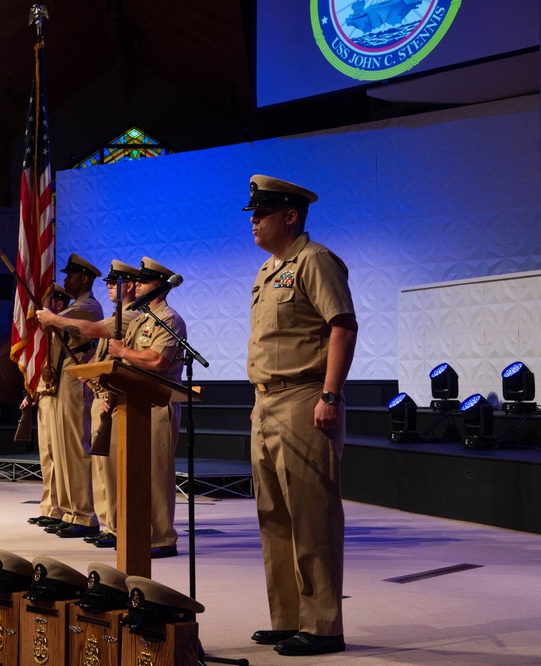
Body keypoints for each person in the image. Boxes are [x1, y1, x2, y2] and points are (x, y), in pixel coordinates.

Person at [243, 175, 357, 657]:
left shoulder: (315, 261)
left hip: (304, 398)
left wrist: (330, 396)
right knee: (274, 517)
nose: (253, 220)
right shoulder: (267, 271)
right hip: (264, 402)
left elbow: (343, 327)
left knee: (313, 515)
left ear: (290, 215)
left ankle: (323, 624)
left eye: (262, 212)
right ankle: (288, 618)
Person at [37, 256, 185, 559]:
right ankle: (134, 529)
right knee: (127, 473)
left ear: (158, 286)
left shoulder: (168, 319)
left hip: (157, 403)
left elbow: (158, 361)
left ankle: (162, 537)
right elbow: (120, 363)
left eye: (143, 281)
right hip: (131, 401)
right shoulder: (141, 319)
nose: (138, 285)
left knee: (156, 474)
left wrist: (124, 352)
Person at [38, 253, 103, 538]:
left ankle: (84, 514)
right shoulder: (77, 305)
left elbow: (54, 323)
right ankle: (67, 509)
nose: (66, 280)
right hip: (64, 375)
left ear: (84, 279)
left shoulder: (89, 306)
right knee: (62, 449)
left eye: (71, 276)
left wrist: (49, 314)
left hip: (77, 376)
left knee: (76, 447)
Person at [83, 260, 141, 549]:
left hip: (114, 398)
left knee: (114, 469)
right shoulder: (117, 315)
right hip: (101, 396)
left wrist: (56, 321)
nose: (107, 286)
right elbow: (103, 355)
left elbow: (93, 332)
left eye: (113, 282)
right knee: (102, 468)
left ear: (129, 285)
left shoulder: (130, 317)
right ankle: (109, 524)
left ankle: (118, 526)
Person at [24, 283, 72, 527]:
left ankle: (63, 509)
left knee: (60, 457)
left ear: (59, 305)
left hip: (59, 396)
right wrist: (31, 392)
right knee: (47, 458)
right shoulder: (46, 334)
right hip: (44, 397)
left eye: (48, 302)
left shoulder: (62, 330)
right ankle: (49, 508)